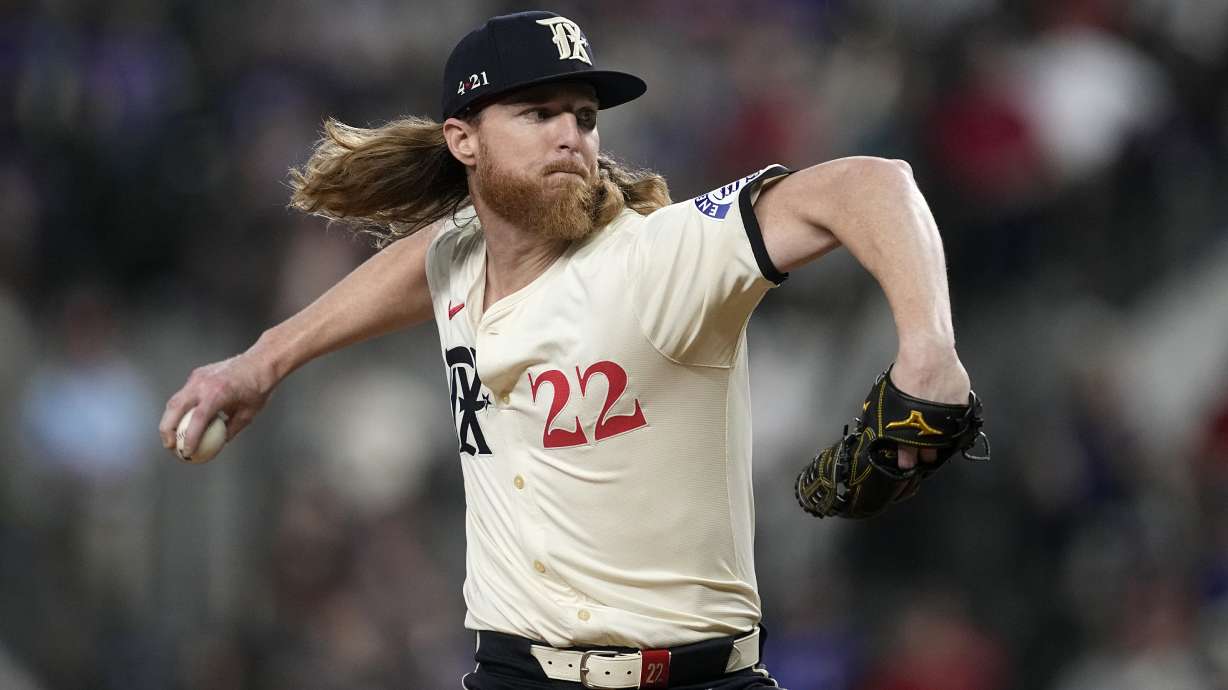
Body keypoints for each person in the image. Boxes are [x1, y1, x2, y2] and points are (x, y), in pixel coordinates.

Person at [159, 10, 971, 690]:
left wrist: (927, 351)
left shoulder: (659, 259)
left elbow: (873, 184)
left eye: (583, 116)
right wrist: (266, 358)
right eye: (538, 112)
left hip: (690, 675)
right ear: (463, 141)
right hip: (511, 672)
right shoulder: (461, 258)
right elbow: (433, 255)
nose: (570, 135)